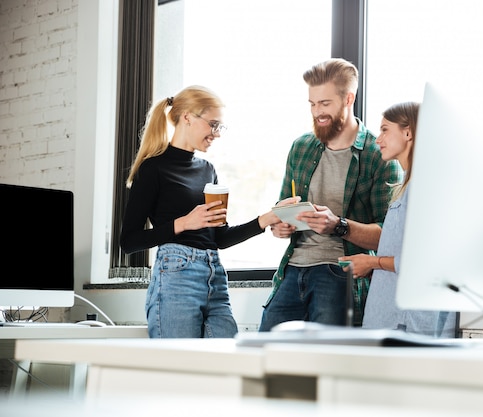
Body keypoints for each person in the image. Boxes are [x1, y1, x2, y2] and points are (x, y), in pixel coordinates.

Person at [120, 85, 292, 338]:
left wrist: (266, 219)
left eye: (220, 127)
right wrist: (182, 223)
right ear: (187, 116)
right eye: (213, 125)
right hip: (177, 275)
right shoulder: (153, 169)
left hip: (214, 274)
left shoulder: (208, 170)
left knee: (225, 362)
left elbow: (219, 238)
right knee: (181, 367)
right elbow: (129, 242)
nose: (217, 134)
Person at [259, 58, 402, 331]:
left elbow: (391, 236)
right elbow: (281, 207)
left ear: (348, 98)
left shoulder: (378, 154)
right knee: (264, 354)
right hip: (291, 270)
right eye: (312, 104)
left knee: (324, 363)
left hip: (338, 272)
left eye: (325, 104)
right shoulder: (300, 147)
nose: (317, 112)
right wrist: (281, 226)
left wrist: (338, 225)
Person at [339, 102, 456, 337]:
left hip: (405, 323)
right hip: (391, 319)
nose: (377, 139)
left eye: (384, 130)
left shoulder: (425, 187)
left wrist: (372, 262)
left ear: (408, 132)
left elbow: (425, 263)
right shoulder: (407, 186)